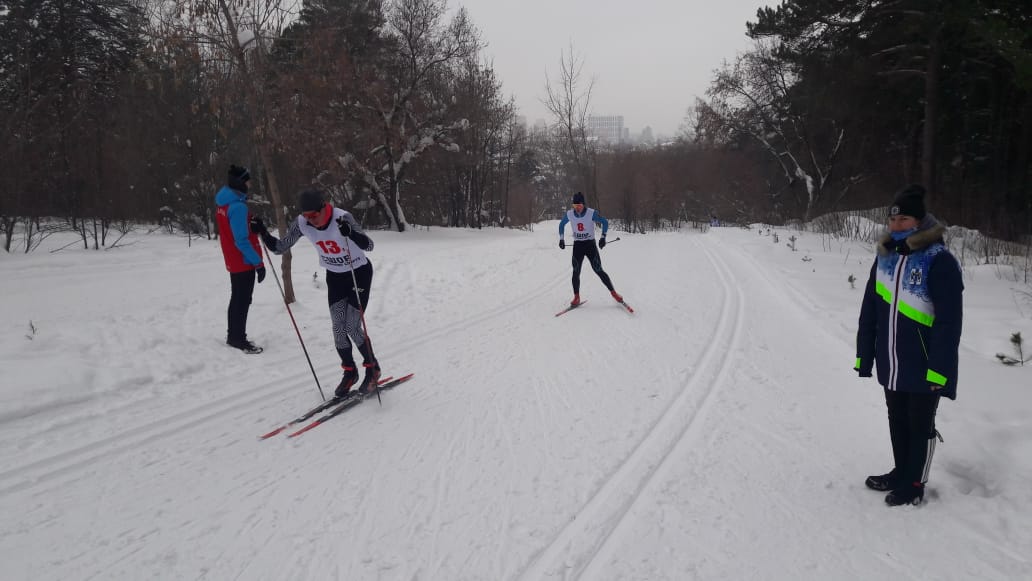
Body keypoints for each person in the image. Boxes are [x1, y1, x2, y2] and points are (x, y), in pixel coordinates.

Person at [855, 184, 963, 506]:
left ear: (919, 221)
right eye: (893, 220)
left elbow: (949, 323)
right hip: (892, 361)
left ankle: (915, 482)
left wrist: (939, 370)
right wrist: (865, 354)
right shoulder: (885, 258)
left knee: (920, 423)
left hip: (925, 363)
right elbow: (870, 309)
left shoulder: (938, 260)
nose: (896, 226)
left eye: (903, 220)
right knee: (896, 417)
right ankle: (901, 471)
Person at [251, 189, 381, 398]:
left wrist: (351, 233)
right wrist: (263, 232)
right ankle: (350, 372)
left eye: (314, 215)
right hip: (336, 276)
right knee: (338, 328)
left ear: (324, 207)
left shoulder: (342, 217)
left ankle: (372, 368)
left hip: (358, 274)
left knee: (352, 325)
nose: (311, 220)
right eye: (306, 216)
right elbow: (279, 247)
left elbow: (370, 245)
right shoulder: (302, 223)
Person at [215, 164, 266, 354]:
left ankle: (234, 335)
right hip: (243, 260)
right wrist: (258, 263)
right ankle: (238, 338)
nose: (250, 183)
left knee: (237, 298)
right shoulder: (237, 207)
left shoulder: (224, 203)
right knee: (242, 300)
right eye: (248, 180)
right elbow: (241, 240)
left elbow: (236, 231)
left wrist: (251, 224)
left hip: (234, 259)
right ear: (240, 182)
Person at [558, 192, 623, 306]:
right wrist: (561, 239)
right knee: (575, 272)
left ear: (583, 204)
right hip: (578, 246)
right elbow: (562, 224)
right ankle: (576, 297)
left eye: (579, 206)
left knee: (598, 270)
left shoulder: (591, 213)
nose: (577, 208)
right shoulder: (569, 214)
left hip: (590, 245)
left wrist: (603, 237)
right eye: (575, 206)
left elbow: (605, 222)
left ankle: (614, 294)